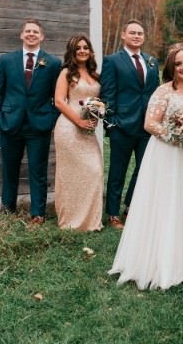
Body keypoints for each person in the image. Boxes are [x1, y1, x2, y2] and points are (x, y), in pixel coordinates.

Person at [109, 44, 183, 290]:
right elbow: (150, 124)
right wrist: (177, 136)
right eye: (178, 64)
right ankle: (162, 260)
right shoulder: (163, 91)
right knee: (167, 203)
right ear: (171, 67)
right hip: (168, 155)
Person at [0, 18, 61, 224]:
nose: (31, 34)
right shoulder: (6, 61)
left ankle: (38, 213)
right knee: (9, 168)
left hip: (39, 125)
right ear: (21, 35)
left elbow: (57, 97)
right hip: (10, 123)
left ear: (42, 36)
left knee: (38, 170)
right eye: (28, 31)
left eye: (35, 32)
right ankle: (7, 208)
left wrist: (50, 119)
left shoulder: (52, 63)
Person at [100, 19, 160, 229]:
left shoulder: (152, 61)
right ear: (124, 35)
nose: (136, 36)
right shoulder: (112, 61)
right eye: (132, 32)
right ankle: (113, 214)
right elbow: (107, 94)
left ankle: (131, 207)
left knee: (143, 169)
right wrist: (111, 124)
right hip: (122, 126)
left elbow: (155, 93)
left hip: (146, 127)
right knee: (118, 171)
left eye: (140, 33)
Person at [53, 34, 103, 231]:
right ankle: (71, 221)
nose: (82, 50)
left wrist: (96, 116)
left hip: (87, 131)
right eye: (78, 48)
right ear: (72, 52)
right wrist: (79, 122)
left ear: (90, 51)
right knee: (70, 175)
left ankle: (91, 220)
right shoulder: (66, 73)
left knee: (94, 171)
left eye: (85, 47)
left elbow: (97, 102)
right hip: (68, 128)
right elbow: (58, 101)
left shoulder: (95, 75)